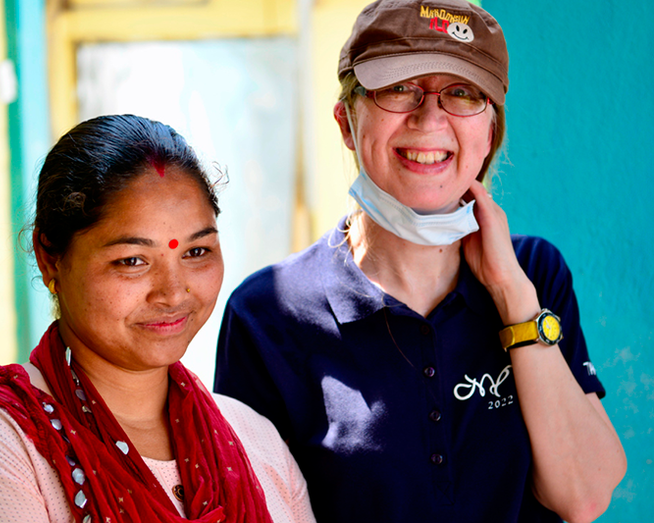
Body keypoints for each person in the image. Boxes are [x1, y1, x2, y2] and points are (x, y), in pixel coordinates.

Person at [214, 1, 626, 522]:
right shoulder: (267, 314)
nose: (430, 117)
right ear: (347, 120)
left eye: (462, 92)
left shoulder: (534, 272)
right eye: (398, 88)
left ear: (490, 132)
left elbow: (584, 497)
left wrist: (513, 298)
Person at [0, 114, 316, 523]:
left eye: (196, 252)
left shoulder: (256, 443)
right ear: (51, 260)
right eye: (131, 260)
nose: (174, 291)